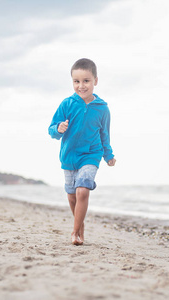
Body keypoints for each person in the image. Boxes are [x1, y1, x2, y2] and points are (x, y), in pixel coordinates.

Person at [48, 58, 116, 246]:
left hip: (91, 155)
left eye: (86, 81)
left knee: (83, 190)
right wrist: (58, 129)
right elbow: (52, 130)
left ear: (95, 80)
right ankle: (80, 225)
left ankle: (75, 232)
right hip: (69, 156)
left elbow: (104, 134)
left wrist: (108, 155)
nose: (81, 85)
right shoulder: (67, 104)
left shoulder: (102, 108)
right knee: (72, 196)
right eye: (76, 81)